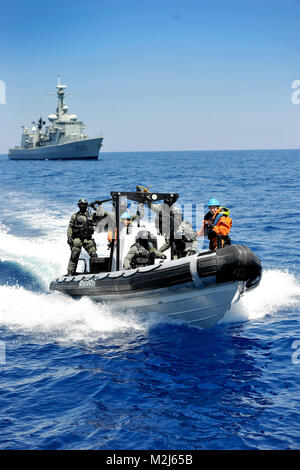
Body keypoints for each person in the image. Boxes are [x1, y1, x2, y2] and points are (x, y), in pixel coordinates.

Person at [67, 198, 103, 275]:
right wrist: (69, 237)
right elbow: (70, 227)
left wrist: (99, 205)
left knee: (94, 255)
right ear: (79, 205)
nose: (82, 206)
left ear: (86, 205)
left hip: (87, 239)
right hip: (77, 239)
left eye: (84, 204)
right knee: (74, 254)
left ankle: (95, 271)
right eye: (81, 204)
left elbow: (101, 215)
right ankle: (70, 271)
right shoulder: (75, 216)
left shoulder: (91, 215)